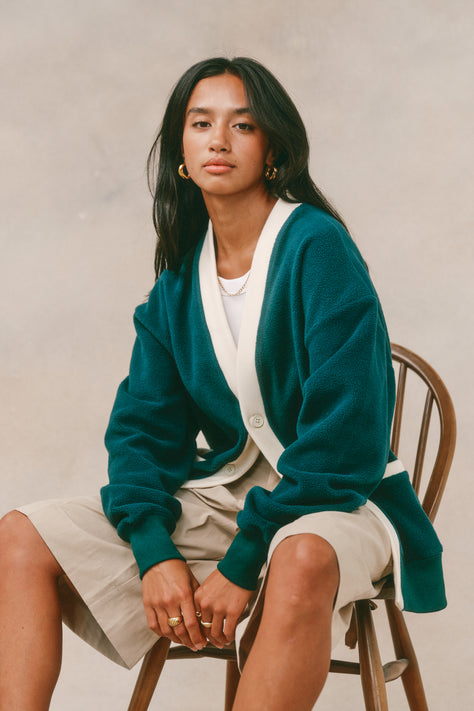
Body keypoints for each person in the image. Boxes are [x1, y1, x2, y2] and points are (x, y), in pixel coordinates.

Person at [0, 57, 446, 711]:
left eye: (243, 124)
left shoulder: (317, 248)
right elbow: (142, 431)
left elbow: (347, 432)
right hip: (232, 496)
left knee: (299, 558)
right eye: (201, 123)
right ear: (181, 152)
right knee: (20, 535)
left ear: (272, 149)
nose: (219, 140)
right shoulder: (180, 283)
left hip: (344, 496)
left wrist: (243, 560)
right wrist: (154, 551)